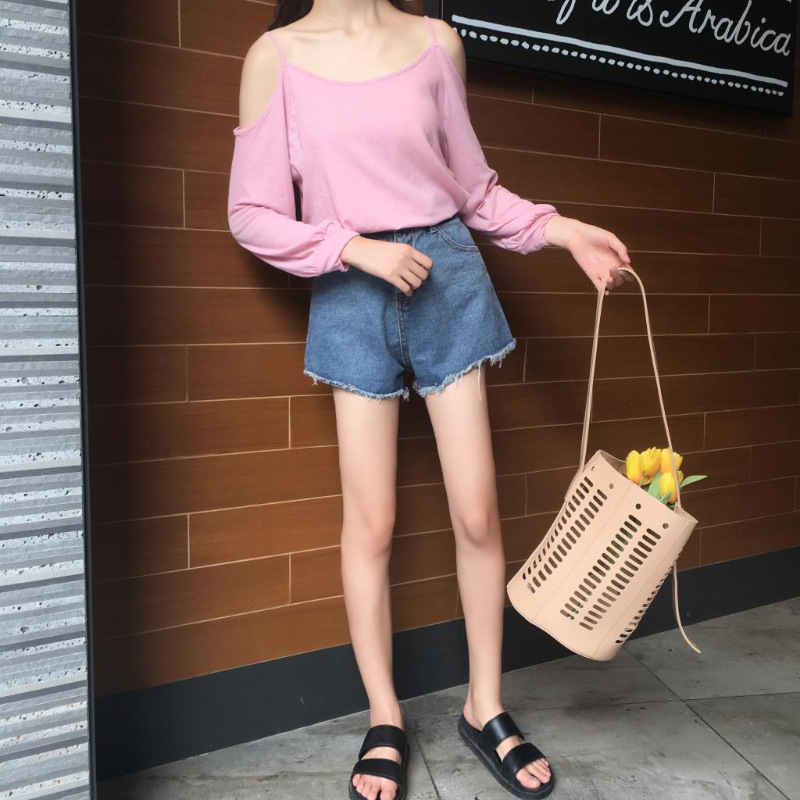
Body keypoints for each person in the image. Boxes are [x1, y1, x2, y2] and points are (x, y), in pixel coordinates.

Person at [227, 2, 633, 799]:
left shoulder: (436, 41)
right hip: (351, 291)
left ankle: (486, 706)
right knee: (371, 523)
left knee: (477, 512)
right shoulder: (276, 56)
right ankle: (385, 717)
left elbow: (475, 193)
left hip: (449, 278)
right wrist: (349, 247)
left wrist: (563, 230)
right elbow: (251, 213)